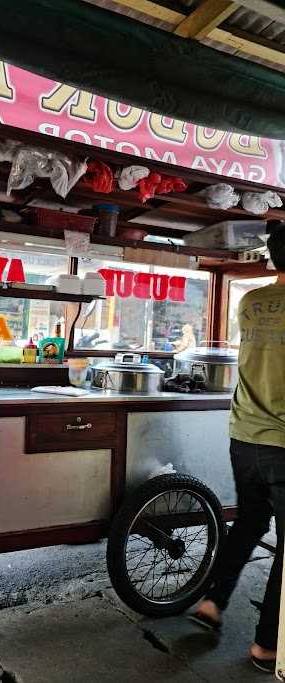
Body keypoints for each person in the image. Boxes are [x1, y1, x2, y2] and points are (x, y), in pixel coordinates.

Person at [191, 220, 285, 673]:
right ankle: (268, 645)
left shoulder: (251, 301)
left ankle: (213, 601)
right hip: (284, 445)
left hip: (244, 435)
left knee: (248, 522)